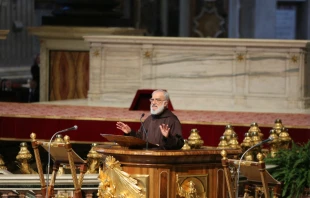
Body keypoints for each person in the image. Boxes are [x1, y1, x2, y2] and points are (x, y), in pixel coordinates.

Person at [116, 89, 184, 150]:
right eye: (152, 99)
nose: (153, 102)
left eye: (157, 100)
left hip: (162, 160)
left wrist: (168, 137)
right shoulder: (149, 119)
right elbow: (140, 139)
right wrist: (130, 132)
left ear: (165, 103)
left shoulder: (172, 120)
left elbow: (179, 144)